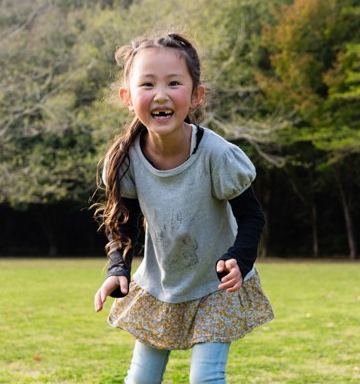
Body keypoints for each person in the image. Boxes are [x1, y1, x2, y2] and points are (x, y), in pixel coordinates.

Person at [92, 32, 273, 383]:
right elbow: (124, 224)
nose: (160, 94)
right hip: (162, 284)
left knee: (206, 378)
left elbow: (252, 215)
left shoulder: (217, 156)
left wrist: (241, 258)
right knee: (141, 379)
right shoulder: (125, 161)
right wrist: (118, 269)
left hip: (215, 285)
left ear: (196, 96)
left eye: (174, 82)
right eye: (147, 84)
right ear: (127, 97)